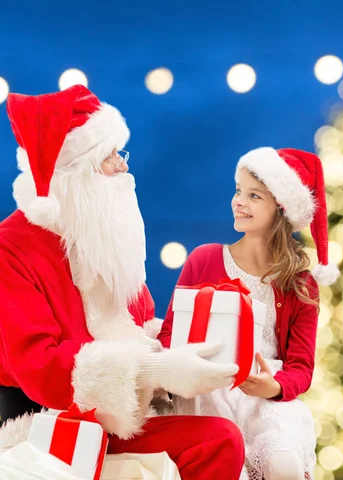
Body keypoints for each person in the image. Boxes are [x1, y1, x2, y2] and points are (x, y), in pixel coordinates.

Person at [0, 85, 244, 479]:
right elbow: (39, 368)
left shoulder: (102, 236)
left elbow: (144, 322)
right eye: (109, 157)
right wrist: (155, 370)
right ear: (73, 174)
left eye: (119, 153)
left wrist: (209, 350)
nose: (123, 166)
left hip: (122, 418)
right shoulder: (10, 248)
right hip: (50, 426)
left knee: (223, 436)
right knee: (220, 440)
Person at [158, 147, 340, 480]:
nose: (238, 201)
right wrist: (180, 368)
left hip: (264, 398)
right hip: (206, 393)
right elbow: (169, 334)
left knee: (282, 464)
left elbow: (301, 367)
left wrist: (272, 387)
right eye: (238, 191)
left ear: (281, 208)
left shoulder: (301, 284)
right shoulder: (204, 259)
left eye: (253, 195)